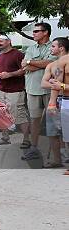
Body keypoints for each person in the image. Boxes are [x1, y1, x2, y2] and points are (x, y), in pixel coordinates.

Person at [21, 22, 56, 160]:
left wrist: (31, 62)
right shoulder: (30, 48)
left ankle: (56, 153)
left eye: (36, 31)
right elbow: (24, 66)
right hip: (32, 90)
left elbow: (51, 63)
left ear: (45, 32)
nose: (33, 33)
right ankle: (34, 149)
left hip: (49, 90)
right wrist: (40, 64)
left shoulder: (54, 46)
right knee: (34, 121)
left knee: (53, 121)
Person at [0, 34, 30, 146]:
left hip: (15, 90)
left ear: (9, 41)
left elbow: (24, 70)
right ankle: (5, 138)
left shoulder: (18, 54)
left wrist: (10, 74)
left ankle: (26, 140)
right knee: (1, 113)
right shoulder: (0, 56)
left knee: (19, 114)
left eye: (1, 41)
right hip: (1, 89)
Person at [40, 37, 68, 169]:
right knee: (52, 132)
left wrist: (60, 85)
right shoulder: (52, 65)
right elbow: (43, 83)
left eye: (53, 46)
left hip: (65, 99)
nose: (50, 48)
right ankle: (57, 160)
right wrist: (55, 86)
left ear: (61, 48)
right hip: (56, 100)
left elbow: (57, 84)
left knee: (66, 133)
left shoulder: (63, 62)